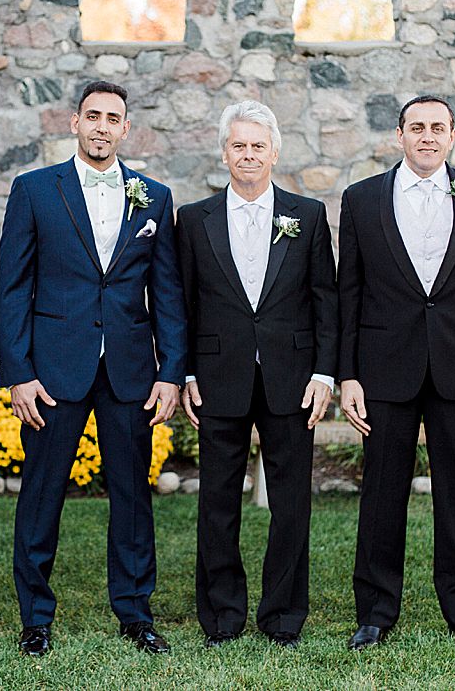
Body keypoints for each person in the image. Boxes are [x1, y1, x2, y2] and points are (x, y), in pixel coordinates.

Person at [0, 80, 186, 657]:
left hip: (129, 369)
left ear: (127, 128)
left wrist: (171, 371)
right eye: (93, 116)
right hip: (54, 371)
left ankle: (134, 612)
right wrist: (19, 373)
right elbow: (13, 288)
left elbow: (168, 292)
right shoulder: (33, 191)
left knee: (132, 495)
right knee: (41, 493)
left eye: (114, 118)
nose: (103, 126)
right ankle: (35, 616)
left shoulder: (153, 197)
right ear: (74, 121)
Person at [336, 95, 455, 650]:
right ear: (400, 135)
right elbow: (349, 293)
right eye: (416, 127)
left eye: (437, 128)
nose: (427, 136)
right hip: (383, 371)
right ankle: (374, 611)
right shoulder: (362, 199)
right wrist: (347, 374)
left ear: (452, 135)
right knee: (380, 493)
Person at [175, 100, 338, 649]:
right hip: (218, 375)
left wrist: (324, 374)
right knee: (216, 501)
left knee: (292, 502)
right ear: (224, 153)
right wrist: (189, 372)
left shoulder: (307, 215)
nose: (248, 154)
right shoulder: (193, 219)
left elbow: (325, 300)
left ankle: (284, 613)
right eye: (239, 145)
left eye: (258, 145)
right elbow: (183, 303)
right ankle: (222, 613)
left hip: (291, 379)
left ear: (275, 151)